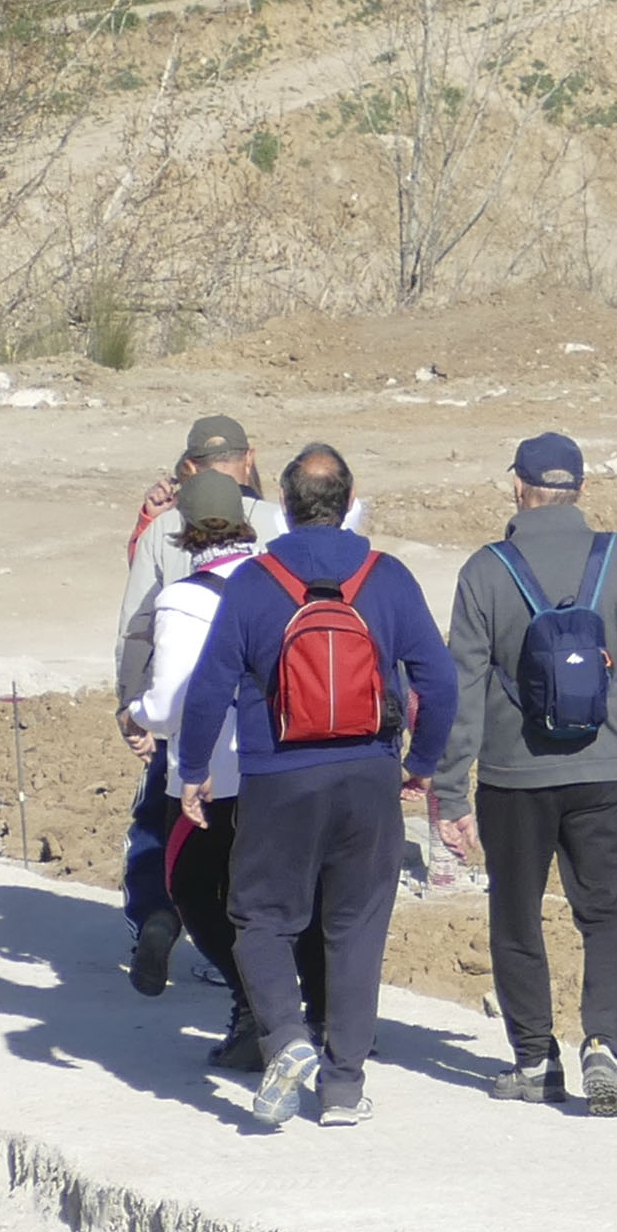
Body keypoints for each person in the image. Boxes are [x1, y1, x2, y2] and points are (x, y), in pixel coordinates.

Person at [168, 442, 455, 1129]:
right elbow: (440, 681)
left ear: (286, 510)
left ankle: (288, 1038)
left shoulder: (254, 581)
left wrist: (194, 771)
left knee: (261, 918)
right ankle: (345, 1088)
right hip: (369, 773)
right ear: (349, 503)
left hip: (278, 776)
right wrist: (424, 761)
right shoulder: (386, 576)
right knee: (356, 926)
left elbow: (209, 687)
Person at [444, 431, 617, 1116]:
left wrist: (451, 784)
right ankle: (604, 1044)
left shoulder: (485, 571)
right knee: (606, 910)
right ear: (579, 489)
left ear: (518, 487)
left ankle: (535, 1059)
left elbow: (460, 690)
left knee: (516, 915)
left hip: (514, 776)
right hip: (604, 771)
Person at [134, 477, 298, 1072]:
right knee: (269, 897)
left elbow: (172, 702)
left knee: (191, 888)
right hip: (282, 765)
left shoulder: (183, 598)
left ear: (185, 530)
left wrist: (135, 714)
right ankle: (300, 1011)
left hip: (213, 777)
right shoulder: (279, 585)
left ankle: (254, 1006)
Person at [114, 414, 267, 991]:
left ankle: (159, 915)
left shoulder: (161, 537)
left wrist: (132, 710)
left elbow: (135, 629)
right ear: (248, 460)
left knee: (166, 837)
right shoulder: (279, 529)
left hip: (196, 750)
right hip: (274, 745)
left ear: (190, 467)